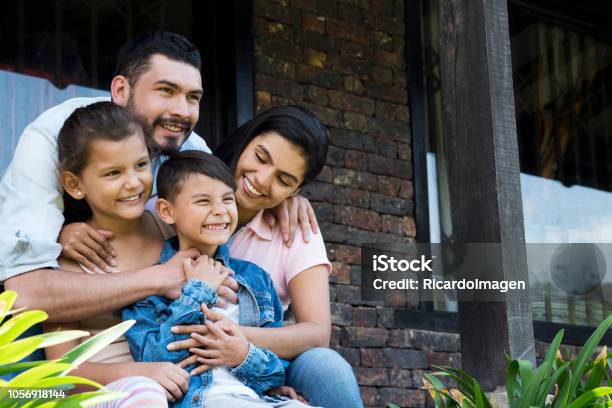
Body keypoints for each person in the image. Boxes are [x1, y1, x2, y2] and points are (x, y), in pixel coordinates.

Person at [168, 106, 364, 408]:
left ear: (296, 190)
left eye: (283, 180)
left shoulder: (296, 230)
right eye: (261, 157)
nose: (261, 180)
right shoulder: (182, 193)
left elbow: (317, 332)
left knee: (328, 367)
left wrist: (236, 341)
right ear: (247, 140)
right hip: (177, 361)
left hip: (257, 364)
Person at [123, 150, 312, 407]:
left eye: (227, 199)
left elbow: (276, 372)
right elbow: (153, 359)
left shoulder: (256, 280)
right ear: (167, 211)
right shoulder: (147, 286)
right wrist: (197, 291)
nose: (220, 211)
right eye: (203, 201)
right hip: (201, 401)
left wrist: (243, 355)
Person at [44, 102, 173, 406]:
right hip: (109, 394)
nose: (133, 182)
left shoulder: (171, 226)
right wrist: (144, 374)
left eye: (141, 165)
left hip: (183, 382)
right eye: (113, 172)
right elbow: (62, 373)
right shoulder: (68, 261)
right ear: (74, 184)